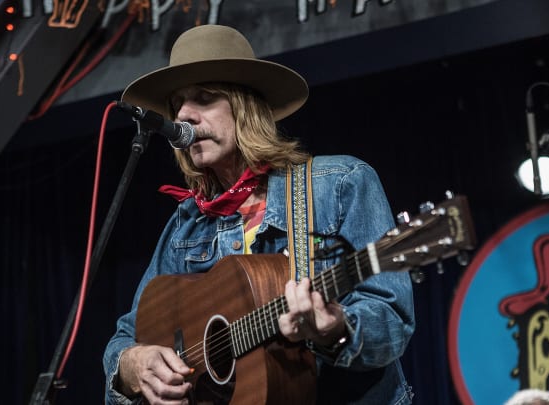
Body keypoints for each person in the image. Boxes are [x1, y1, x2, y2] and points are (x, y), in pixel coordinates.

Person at [103, 24, 415, 404]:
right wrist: (134, 364)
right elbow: (127, 335)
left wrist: (334, 329)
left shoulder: (341, 185)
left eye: (204, 97)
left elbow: (392, 319)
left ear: (246, 106)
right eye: (177, 103)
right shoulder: (185, 225)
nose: (183, 114)